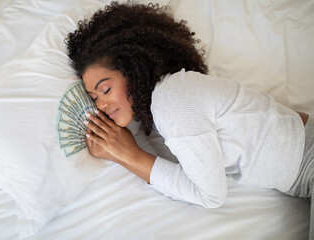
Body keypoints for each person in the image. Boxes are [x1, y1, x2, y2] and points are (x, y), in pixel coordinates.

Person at [65, 1, 313, 238]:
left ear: (133, 68)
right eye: (93, 97)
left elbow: (210, 196)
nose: (101, 104)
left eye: (106, 89)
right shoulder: (162, 104)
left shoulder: (172, 99)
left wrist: (126, 154)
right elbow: (183, 170)